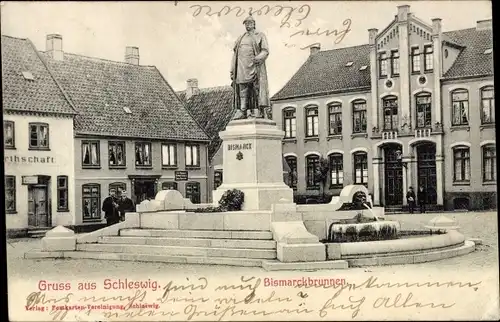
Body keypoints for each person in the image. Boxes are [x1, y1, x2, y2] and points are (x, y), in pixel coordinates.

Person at [230, 14, 270, 119]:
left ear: (254, 24)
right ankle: (243, 110)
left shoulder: (260, 35)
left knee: (256, 89)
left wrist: (258, 58)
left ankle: (258, 110)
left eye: (249, 23)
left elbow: (265, 51)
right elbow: (235, 54)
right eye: (246, 23)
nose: (247, 25)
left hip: (255, 66)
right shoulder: (240, 38)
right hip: (241, 68)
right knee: (242, 88)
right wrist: (232, 70)